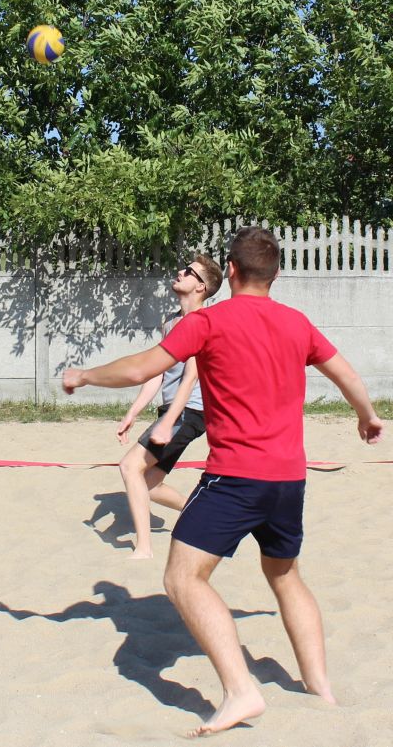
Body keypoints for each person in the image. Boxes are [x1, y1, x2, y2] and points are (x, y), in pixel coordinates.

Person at [61, 226, 383, 736]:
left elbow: (141, 368)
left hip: (236, 477)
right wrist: (367, 416)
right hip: (289, 480)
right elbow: (346, 375)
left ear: (230, 270)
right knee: (285, 575)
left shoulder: (209, 321)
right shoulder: (297, 322)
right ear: (275, 275)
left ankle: (240, 691)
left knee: (182, 578)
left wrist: (83, 375)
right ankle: (321, 688)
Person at [115, 254, 222, 559]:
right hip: (174, 411)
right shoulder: (171, 322)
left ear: (201, 287)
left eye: (189, 272)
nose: (180, 272)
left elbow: (191, 377)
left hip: (189, 412)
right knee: (149, 484)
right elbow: (157, 373)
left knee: (129, 466)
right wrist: (133, 412)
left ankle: (144, 547)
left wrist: (170, 418)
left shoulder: (204, 323)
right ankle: (200, 515)